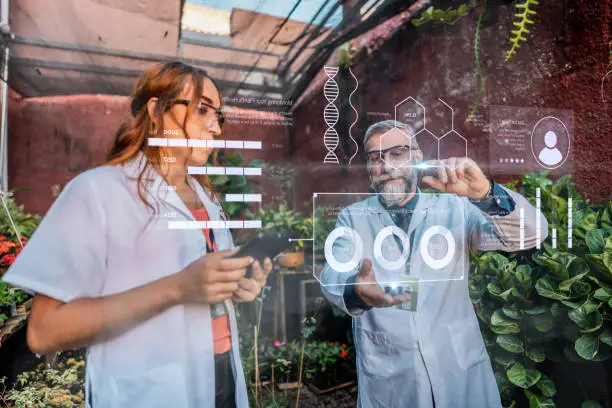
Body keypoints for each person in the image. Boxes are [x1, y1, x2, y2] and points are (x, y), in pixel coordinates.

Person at [1, 61, 271, 408]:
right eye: (202, 110)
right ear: (156, 111)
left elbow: (203, 289)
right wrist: (178, 288)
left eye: (218, 115)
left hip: (223, 378)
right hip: (149, 392)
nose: (216, 127)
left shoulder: (207, 198)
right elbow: (43, 331)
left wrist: (236, 285)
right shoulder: (98, 191)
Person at [319, 120, 548, 408]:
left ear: (416, 156)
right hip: (392, 377)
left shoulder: (455, 207)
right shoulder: (353, 217)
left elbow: (532, 233)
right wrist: (355, 289)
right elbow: (332, 273)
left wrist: (485, 195)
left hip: (459, 368)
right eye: (376, 157)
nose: (386, 165)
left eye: (397, 153)